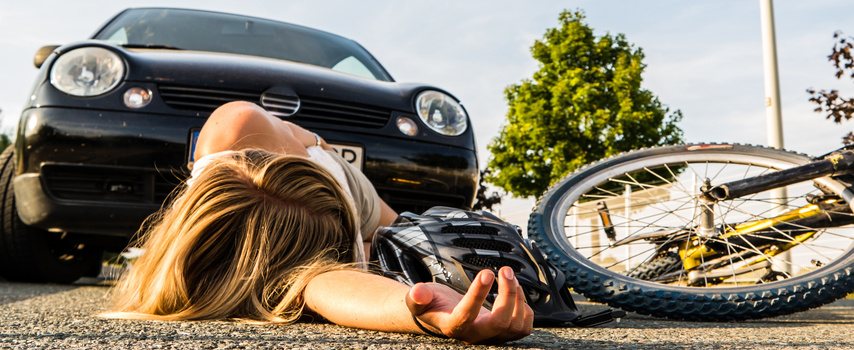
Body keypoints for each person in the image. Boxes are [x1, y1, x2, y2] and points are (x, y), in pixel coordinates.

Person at [104, 101, 533, 344]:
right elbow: (322, 285)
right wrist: (419, 308)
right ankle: (367, 247)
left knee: (394, 235)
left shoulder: (236, 130)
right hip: (341, 206)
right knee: (402, 237)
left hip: (324, 194)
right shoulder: (315, 267)